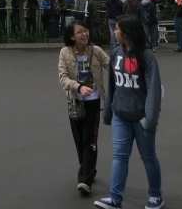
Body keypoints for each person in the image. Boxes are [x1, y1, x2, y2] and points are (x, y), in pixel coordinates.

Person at [96, 15, 163, 209]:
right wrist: (108, 112)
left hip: (142, 117)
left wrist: (150, 120)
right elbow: (113, 85)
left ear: (126, 33)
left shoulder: (147, 56)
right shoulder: (116, 53)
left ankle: (156, 196)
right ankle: (115, 198)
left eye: (117, 29)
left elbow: (153, 90)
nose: (114, 32)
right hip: (120, 115)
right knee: (120, 155)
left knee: (148, 156)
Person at [59, 20, 109, 195]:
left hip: (93, 101)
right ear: (72, 36)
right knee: (80, 140)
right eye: (80, 32)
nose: (85, 34)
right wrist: (78, 87)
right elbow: (63, 78)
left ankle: (84, 179)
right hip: (75, 102)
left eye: (86, 31)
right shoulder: (65, 52)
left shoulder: (95, 51)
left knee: (90, 138)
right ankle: (88, 169)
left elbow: (110, 65)